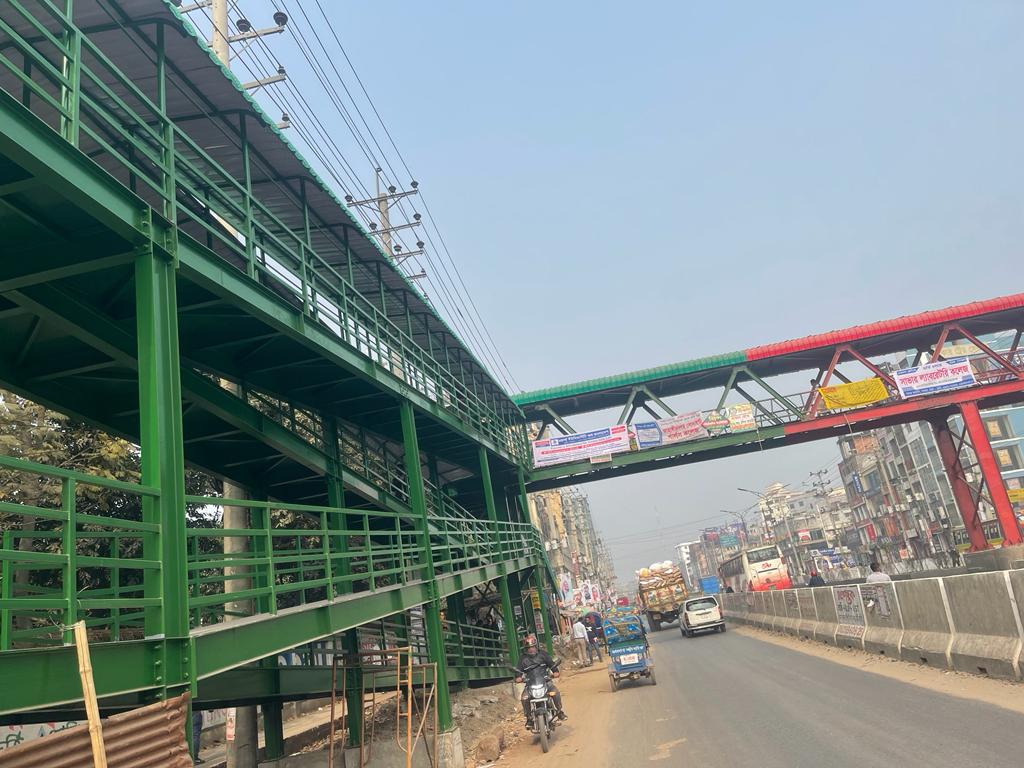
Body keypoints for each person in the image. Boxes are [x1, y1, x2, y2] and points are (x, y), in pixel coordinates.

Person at [514, 633, 565, 725]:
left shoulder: (543, 654)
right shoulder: (522, 659)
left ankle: (559, 711)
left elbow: (552, 665)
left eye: (533, 647)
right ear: (526, 649)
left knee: (555, 693)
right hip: (530, 684)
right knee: (524, 698)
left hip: (545, 681)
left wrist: (555, 672)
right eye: (529, 648)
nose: (531, 649)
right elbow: (518, 671)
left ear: (536, 646)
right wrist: (518, 678)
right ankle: (529, 717)